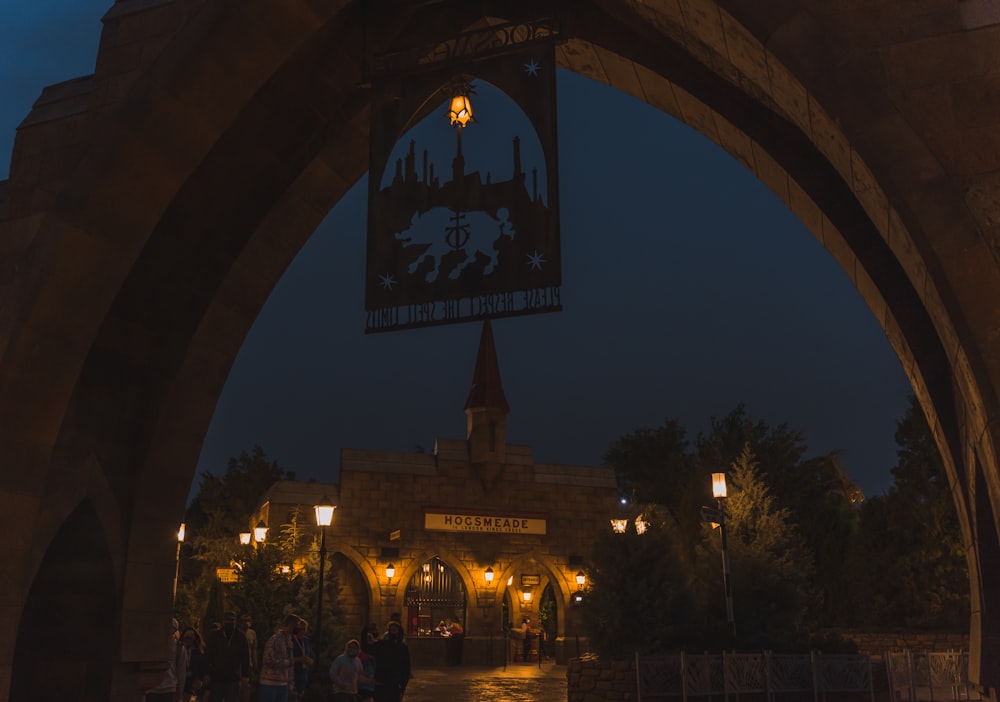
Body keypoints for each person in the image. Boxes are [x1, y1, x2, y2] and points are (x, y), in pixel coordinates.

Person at [204, 611, 251, 702]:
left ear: (236, 621)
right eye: (228, 620)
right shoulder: (215, 636)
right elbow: (207, 655)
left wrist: (245, 675)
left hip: (233, 677)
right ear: (223, 621)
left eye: (232, 620)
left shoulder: (241, 637)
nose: (230, 622)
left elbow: (245, 658)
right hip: (216, 676)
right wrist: (206, 673)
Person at [145, 618, 188, 702]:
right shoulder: (150, 644)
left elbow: (181, 671)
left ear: (174, 631)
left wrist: (180, 692)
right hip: (152, 688)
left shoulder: (179, 647)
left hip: (169, 688)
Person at [258, 614, 298, 702]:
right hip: (270, 682)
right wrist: (286, 663)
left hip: (283, 683)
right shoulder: (275, 639)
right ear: (290, 624)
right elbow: (267, 659)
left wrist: (291, 685)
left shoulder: (289, 641)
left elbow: (291, 665)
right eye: (296, 625)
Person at [369, 620, 410, 702]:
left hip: (394, 683)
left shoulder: (402, 648)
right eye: (392, 629)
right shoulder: (382, 645)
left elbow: (406, 667)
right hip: (381, 682)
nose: (393, 632)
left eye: (395, 629)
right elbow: (368, 649)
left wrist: (403, 686)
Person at [180, 627, 209, 701]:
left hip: (190, 683)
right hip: (178, 680)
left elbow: (202, 668)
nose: (188, 638)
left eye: (191, 636)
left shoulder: (199, 654)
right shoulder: (178, 650)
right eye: (187, 635)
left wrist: (199, 680)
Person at [291, 618, 315, 701]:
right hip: (292, 674)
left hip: (303, 674)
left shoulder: (306, 641)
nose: (301, 631)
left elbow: (311, 656)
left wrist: (309, 660)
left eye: (303, 629)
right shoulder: (291, 640)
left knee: (299, 697)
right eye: (299, 629)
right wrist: (299, 659)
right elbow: (286, 658)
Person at [237, 614, 258, 702]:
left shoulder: (252, 633)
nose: (246, 623)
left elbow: (254, 650)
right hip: (238, 664)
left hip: (248, 664)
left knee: (247, 686)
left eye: (248, 621)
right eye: (243, 621)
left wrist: (255, 664)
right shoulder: (237, 633)